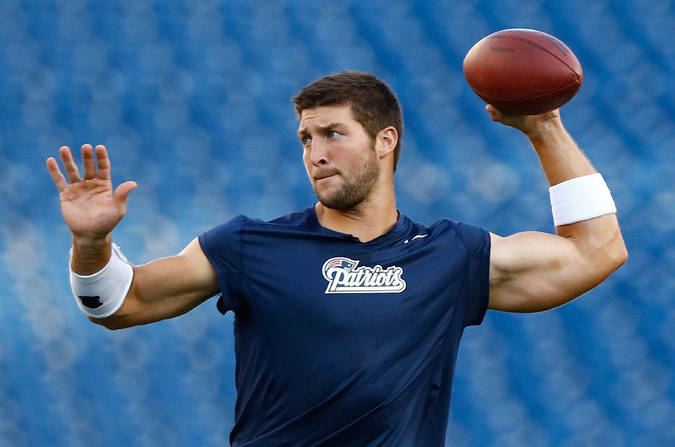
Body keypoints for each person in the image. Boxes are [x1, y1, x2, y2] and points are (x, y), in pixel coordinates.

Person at [46, 70, 627, 446]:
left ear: (385, 141)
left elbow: (596, 251)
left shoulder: (449, 255)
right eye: (306, 138)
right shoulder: (252, 245)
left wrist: (544, 127)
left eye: (332, 134)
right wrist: (92, 244)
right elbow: (119, 304)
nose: (316, 153)